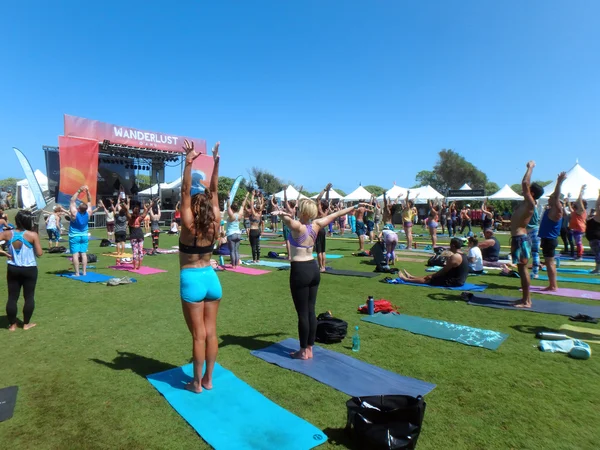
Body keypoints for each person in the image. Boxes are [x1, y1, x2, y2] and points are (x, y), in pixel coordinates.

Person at [277, 199, 369, 360]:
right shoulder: (317, 224)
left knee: (303, 314)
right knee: (311, 311)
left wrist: (281, 214)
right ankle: (310, 349)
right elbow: (336, 214)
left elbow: (289, 221)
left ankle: (303, 351)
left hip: (300, 271)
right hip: (313, 270)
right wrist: (354, 207)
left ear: (303, 212)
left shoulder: (298, 226)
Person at [179, 140, 221, 393]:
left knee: (198, 336)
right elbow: (214, 189)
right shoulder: (215, 222)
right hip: (212, 279)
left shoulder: (189, 225)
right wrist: (216, 161)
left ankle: (196, 383)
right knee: (211, 333)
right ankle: (208, 379)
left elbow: (185, 190)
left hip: (192, 279)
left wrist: (189, 161)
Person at [0, 210, 43, 331]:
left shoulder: (8, 233)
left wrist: (3, 252)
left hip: (13, 268)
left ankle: (12, 325)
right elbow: (40, 253)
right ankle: (26, 324)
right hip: (29, 269)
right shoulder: (32, 235)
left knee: (12, 297)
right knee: (29, 296)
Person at [510, 161, 543, 308]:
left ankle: (527, 301)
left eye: (529, 190)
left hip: (520, 239)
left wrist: (530, 168)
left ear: (532, 193)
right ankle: (525, 299)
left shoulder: (530, 203)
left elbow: (524, 183)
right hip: (518, 238)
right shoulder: (526, 203)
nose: (525, 190)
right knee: (521, 269)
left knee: (523, 270)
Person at [398, 238, 469, 287]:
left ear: (453, 245)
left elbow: (444, 270)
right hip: (457, 279)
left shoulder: (455, 257)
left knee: (430, 279)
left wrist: (433, 276)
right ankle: (412, 277)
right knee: (432, 276)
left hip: (455, 281)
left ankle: (406, 279)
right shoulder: (464, 255)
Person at [538, 172, 567, 290]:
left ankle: (553, 286)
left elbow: (556, 196)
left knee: (550, 263)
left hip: (549, 240)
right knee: (549, 263)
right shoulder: (551, 209)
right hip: (547, 239)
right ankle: (552, 285)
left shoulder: (557, 210)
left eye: (551, 197)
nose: (549, 198)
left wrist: (559, 182)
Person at [68, 185, 93, 277]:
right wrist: (87, 191)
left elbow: (72, 200)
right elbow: (90, 201)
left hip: (74, 236)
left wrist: (79, 190)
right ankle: (85, 272)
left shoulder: (74, 213)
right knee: (83, 254)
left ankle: (77, 273)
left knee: (75, 254)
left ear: (78, 208)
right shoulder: (89, 213)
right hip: (84, 236)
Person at [125, 198, 149, 270]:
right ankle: (139, 267)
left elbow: (126, 210)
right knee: (140, 251)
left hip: (133, 236)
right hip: (140, 235)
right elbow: (146, 211)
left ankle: (135, 267)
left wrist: (127, 202)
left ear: (132, 211)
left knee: (135, 252)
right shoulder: (140, 218)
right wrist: (146, 206)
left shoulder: (130, 218)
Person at [314, 184, 332, 272]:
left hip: (318, 230)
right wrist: (328, 191)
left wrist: (324, 189)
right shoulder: (326, 211)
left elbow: (318, 198)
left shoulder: (320, 211)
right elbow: (326, 200)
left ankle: (321, 267)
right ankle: (323, 267)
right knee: (323, 250)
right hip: (323, 231)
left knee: (319, 251)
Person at [569, 185, 588, 261]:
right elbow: (571, 208)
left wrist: (581, 192)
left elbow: (579, 201)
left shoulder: (581, 211)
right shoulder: (575, 211)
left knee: (579, 243)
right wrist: (567, 201)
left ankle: (580, 256)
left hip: (579, 229)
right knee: (577, 243)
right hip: (575, 229)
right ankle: (578, 255)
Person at [226, 196, 242, 268]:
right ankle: (237, 264)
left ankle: (233, 265)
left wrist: (228, 197)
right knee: (237, 250)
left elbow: (228, 206)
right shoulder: (239, 215)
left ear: (232, 209)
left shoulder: (231, 216)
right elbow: (243, 205)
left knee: (232, 251)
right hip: (238, 234)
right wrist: (246, 197)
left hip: (231, 234)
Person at [586, 190, 600, 274]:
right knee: (597, 254)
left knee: (598, 255)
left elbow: (597, 205)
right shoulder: (594, 216)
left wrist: (599, 195)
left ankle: (597, 269)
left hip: (596, 239)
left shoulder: (598, 216)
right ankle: (597, 269)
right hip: (593, 239)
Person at [248, 190, 263, 263]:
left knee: (253, 246)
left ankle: (254, 259)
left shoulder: (254, 214)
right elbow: (260, 204)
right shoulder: (259, 214)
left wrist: (253, 195)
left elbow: (251, 204)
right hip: (258, 231)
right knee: (257, 245)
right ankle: (258, 259)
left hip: (253, 231)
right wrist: (259, 197)